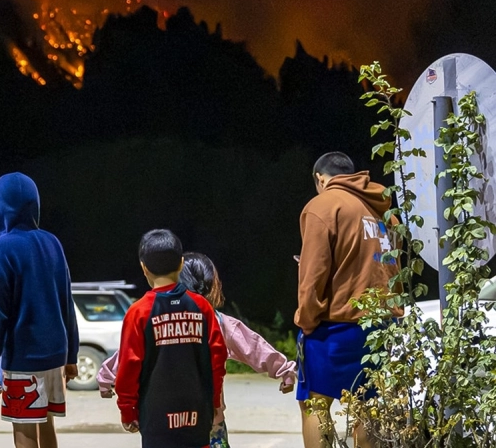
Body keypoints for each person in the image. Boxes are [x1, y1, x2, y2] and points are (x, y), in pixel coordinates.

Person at [99, 252, 296, 447]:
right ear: (211, 284)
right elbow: (254, 347)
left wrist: (106, 378)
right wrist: (284, 369)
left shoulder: (157, 318)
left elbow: (128, 356)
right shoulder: (219, 322)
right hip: (208, 421)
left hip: (162, 420)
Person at [295, 152, 401, 448]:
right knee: (368, 407)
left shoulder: (323, 205)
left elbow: (313, 271)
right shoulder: (385, 213)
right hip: (382, 324)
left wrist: (307, 319)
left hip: (336, 325)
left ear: (321, 178)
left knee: (315, 404)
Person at [0, 172, 80, 448]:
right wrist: (72, 354)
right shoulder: (52, 243)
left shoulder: (0, 249)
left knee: (24, 432)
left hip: (23, 357)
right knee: (47, 423)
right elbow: (66, 300)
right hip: (55, 355)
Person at [114, 230, 227, 448]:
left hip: (156, 413)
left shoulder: (139, 312)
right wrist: (213, 400)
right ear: (181, 264)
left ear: (143, 267)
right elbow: (217, 358)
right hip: (197, 410)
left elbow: (128, 366)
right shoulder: (201, 306)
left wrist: (127, 409)